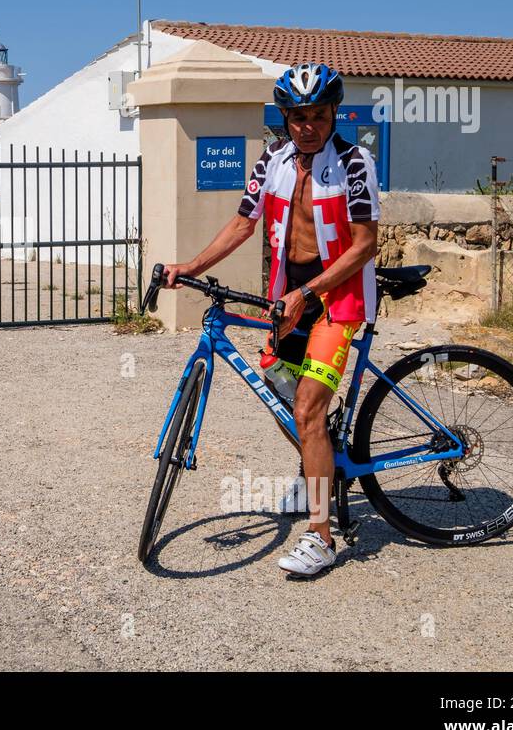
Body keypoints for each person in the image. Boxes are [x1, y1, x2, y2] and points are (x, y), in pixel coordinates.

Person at [161, 63, 380, 577]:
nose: (308, 125)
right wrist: (187, 267)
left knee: (305, 408)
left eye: (318, 115)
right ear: (284, 118)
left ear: (333, 114)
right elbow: (243, 222)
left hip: (335, 301)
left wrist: (309, 292)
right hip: (287, 300)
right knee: (280, 390)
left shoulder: (354, 163)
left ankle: (322, 536)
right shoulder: (273, 160)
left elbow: (366, 245)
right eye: (297, 117)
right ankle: (318, 462)